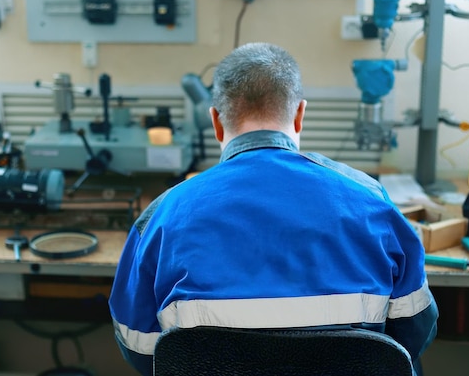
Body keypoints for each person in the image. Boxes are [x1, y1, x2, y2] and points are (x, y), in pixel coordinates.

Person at [109, 42, 438, 376]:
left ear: (216, 123)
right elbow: (414, 333)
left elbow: (142, 351)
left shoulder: (161, 217)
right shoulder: (370, 199)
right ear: (299, 115)